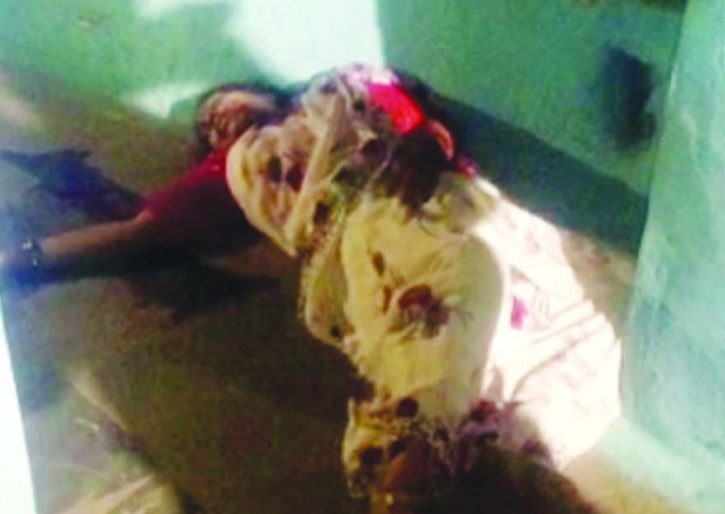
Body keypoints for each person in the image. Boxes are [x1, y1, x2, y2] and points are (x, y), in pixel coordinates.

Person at [0, 81, 292, 277]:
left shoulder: (315, 98)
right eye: (209, 132)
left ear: (261, 92)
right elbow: (139, 230)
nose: (215, 119)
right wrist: (22, 257)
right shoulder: (234, 168)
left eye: (218, 103)